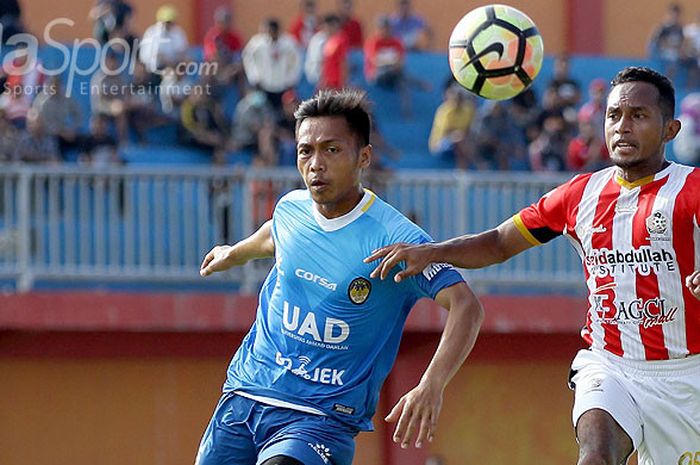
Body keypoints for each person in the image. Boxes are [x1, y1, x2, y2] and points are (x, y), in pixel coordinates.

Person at [366, 66, 700, 465]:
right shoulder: (580, 195)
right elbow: (498, 242)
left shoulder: (692, 189)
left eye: (639, 116)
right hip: (609, 364)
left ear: (671, 130)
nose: (622, 127)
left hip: (685, 376)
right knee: (595, 456)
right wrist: (432, 251)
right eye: (614, 115)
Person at [196, 89, 484, 465]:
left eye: (331, 150)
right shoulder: (291, 209)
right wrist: (233, 253)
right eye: (306, 151)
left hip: (319, 419)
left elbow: (466, 306)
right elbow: (272, 234)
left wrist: (432, 385)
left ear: (363, 156)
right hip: (245, 394)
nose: (316, 164)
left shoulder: (396, 239)